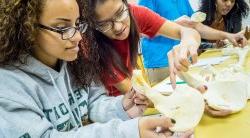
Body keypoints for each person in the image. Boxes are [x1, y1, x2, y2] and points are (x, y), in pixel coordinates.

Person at [0, 0, 191, 137]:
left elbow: (93, 102)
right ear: (27, 29)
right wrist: (130, 131)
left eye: (77, 24)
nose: (77, 37)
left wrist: (124, 107)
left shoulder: (74, 62)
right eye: (63, 28)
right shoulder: (8, 86)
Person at [86, 0, 201, 96]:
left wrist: (187, 42)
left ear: (125, 3)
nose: (118, 27)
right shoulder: (92, 44)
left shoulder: (135, 13)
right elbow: (136, 94)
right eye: (104, 24)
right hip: (112, 107)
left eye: (120, 13)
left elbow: (186, 31)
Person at [138, 0, 248, 86]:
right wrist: (174, 24)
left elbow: (196, 26)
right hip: (160, 66)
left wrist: (228, 36)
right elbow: (140, 31)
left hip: (184, 62)